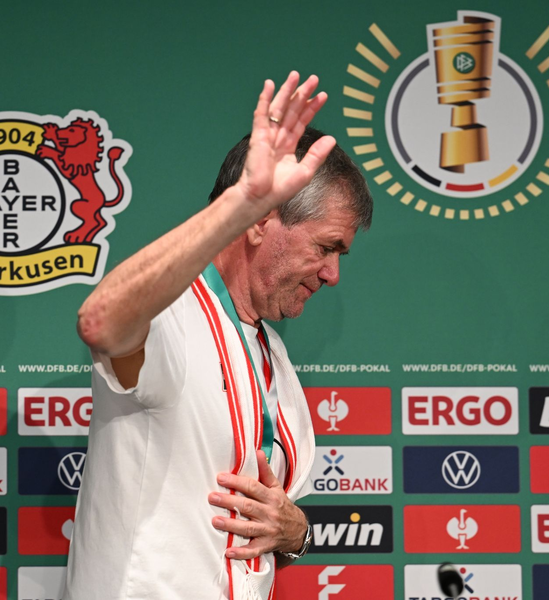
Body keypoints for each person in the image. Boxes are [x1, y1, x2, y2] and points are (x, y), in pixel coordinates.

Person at [63, 72, 373, 600]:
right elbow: (99, 321)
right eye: (325, 248)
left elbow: (274, 522)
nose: (332, 274)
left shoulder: (271, 350)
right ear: (259, 224)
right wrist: (238, 204)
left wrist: (296, 533)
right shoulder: (169, 314)